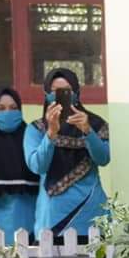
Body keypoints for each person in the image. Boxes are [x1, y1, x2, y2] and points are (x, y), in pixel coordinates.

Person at [24, 68, 110, 239]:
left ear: (77, 93)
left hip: (89, 212)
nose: (60, 96)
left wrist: (87, 131)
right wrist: (51, 133)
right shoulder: (36, 129)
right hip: (52, 216)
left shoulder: (96, 124)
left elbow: (103, 159)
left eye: (67, 91)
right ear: (47, 94)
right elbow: (37, 166)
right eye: (55, 91)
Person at [0, 87, 38, 242]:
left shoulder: (31, 137)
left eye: (13, 108)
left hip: (30, 221)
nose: (8, 112)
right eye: (1, 108)